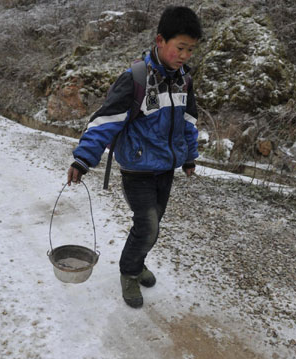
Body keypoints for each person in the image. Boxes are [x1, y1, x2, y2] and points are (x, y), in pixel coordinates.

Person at [66, 6, 202, 308]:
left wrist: (189, 157)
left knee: (151, 224)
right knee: (148, 225)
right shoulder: (136, 78)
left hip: (165, 168)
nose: (184, 55)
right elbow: (105, 121)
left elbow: (189, 123)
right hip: (137, 168)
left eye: (190, 50)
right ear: (160, 40)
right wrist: (82, 159)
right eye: (180, 48)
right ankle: (129, 272)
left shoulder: (184, 80)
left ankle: (137, 263)